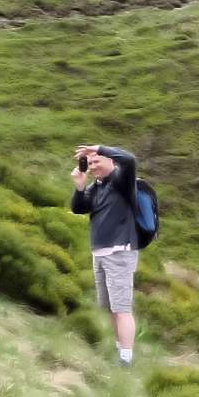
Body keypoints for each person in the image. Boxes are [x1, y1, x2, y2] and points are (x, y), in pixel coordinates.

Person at [71, 143, 141, 366]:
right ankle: (120, 349)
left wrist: (99, 148)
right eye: (89, 163)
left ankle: (126, 359)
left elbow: (129, 159)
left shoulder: (121, 180)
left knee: (121, 308)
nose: (92, 166)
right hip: (100, 254)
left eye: (96, 161)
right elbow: (78, 208)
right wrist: (80, 187)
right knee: (110, 307)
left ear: (111, 161)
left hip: (119, 252)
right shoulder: (97, 185)